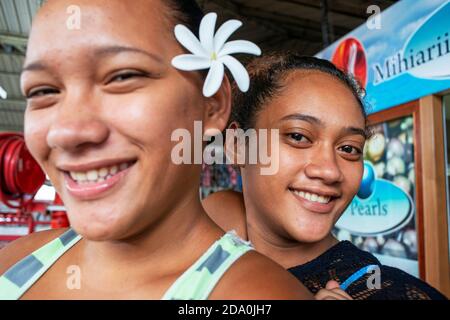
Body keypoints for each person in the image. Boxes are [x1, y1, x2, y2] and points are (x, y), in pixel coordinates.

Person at [0, 0, 314, 300]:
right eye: (43, 91)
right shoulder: (14, 262)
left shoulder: (260, 295)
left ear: (212, 106)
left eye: (123, 76)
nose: (67, 132)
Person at [203, 53, 447, 300]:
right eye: (298, 136)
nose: (330, 171)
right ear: (238, 146)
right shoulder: (206, 237)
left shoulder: (389, 292)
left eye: (349, 148)